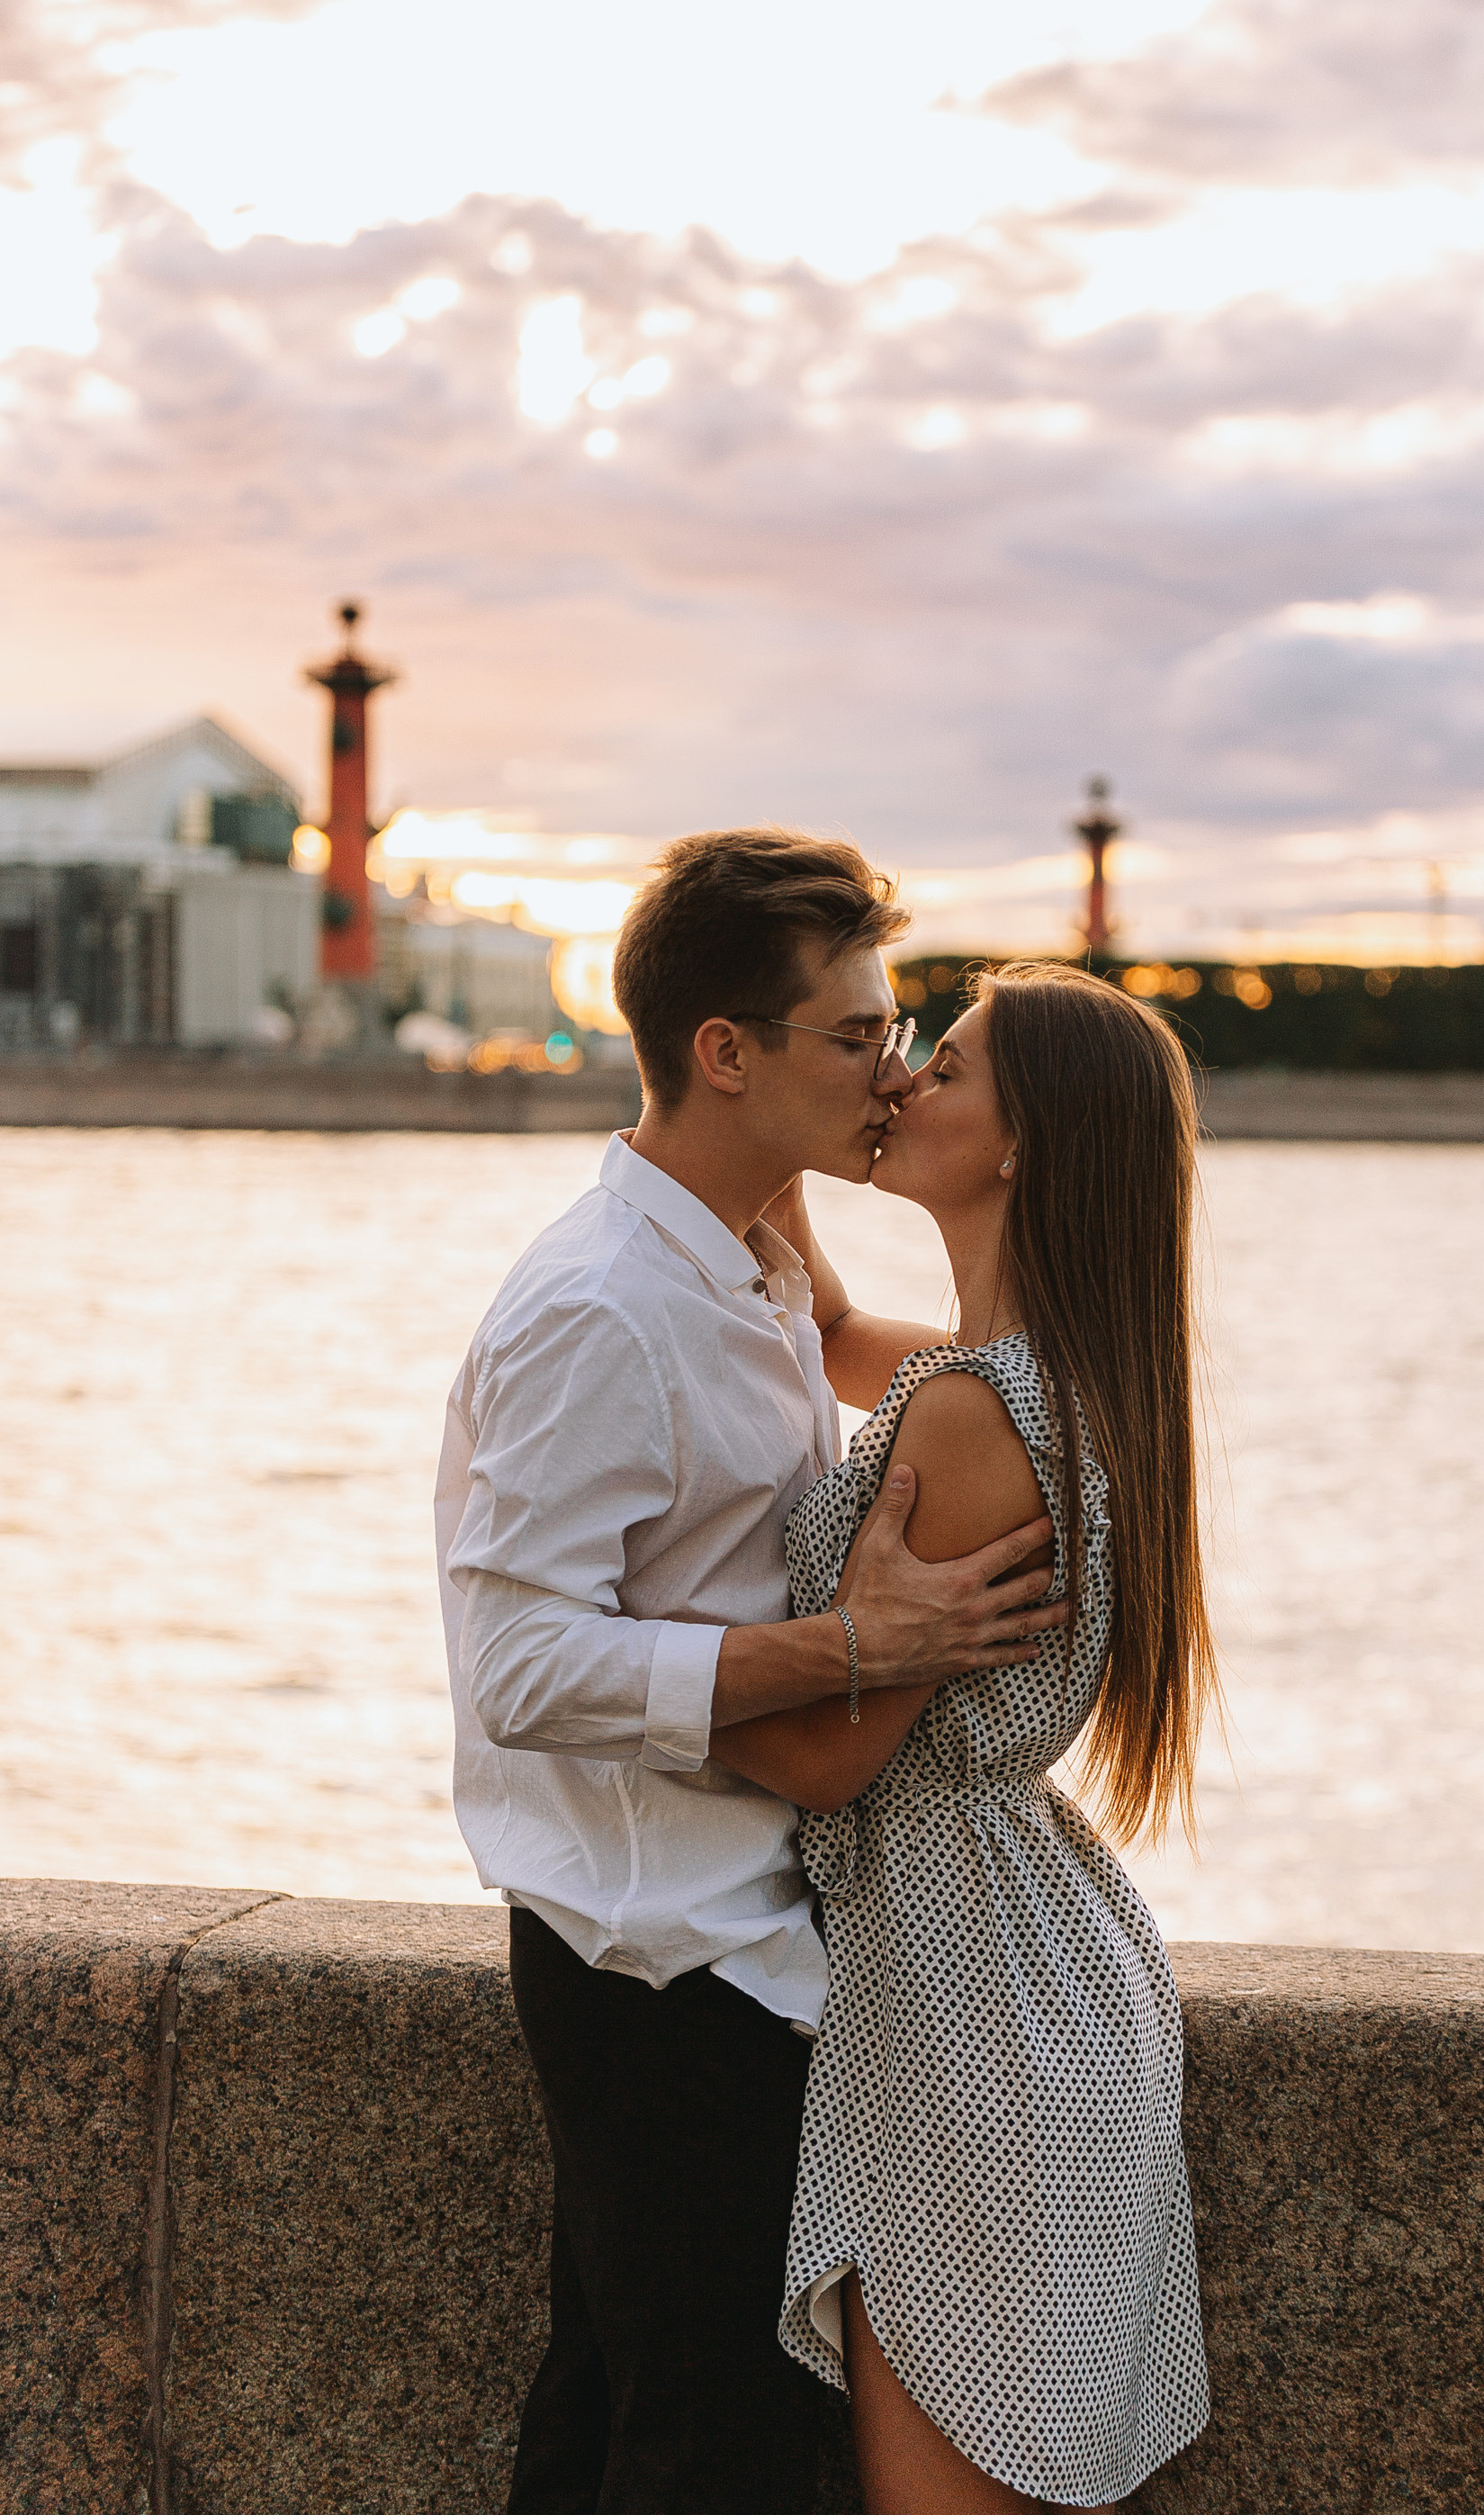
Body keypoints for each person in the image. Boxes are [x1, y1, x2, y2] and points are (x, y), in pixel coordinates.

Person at [436, 831, 1060, 2515]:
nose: (895, 1068)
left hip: (741, 1925)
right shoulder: (600, 1308)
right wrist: (858, 1647)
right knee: (704, 2440)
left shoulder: (756, 1246)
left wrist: (1061, 1382)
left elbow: (884, 1366)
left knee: (623, 2410)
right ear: (729, 1053)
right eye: (857, 1036)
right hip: (655, 1951)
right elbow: (520, 1663)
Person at [713, 961, 1216, 2512]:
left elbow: (824, 1765)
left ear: (1018, 1146)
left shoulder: (973, 1420)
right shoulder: (1042, 1376)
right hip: (1033, 1971)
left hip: (961, 2009)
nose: (907, 1075)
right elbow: (839, 1325)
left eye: (950, 1064)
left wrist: (585, 1673)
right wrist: (775, 1128)